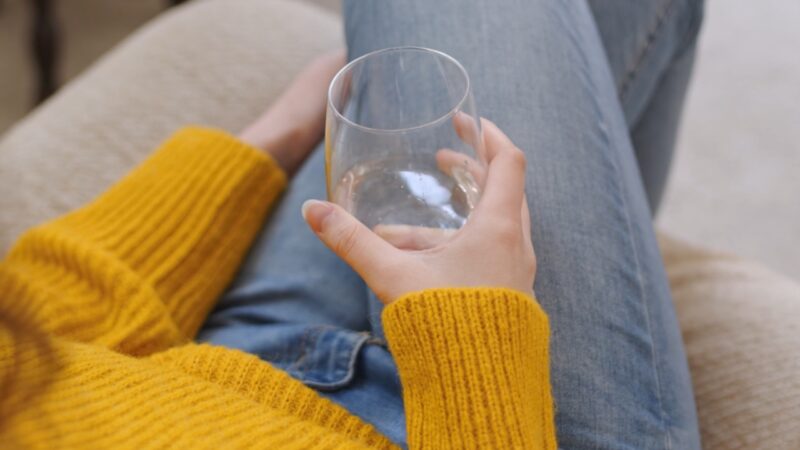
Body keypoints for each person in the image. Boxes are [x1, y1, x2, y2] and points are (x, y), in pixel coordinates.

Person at [0, 0, 703, 448]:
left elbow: (39, 333)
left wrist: (267, 143)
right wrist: (479, 328)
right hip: (489, 410)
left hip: (240, 355)